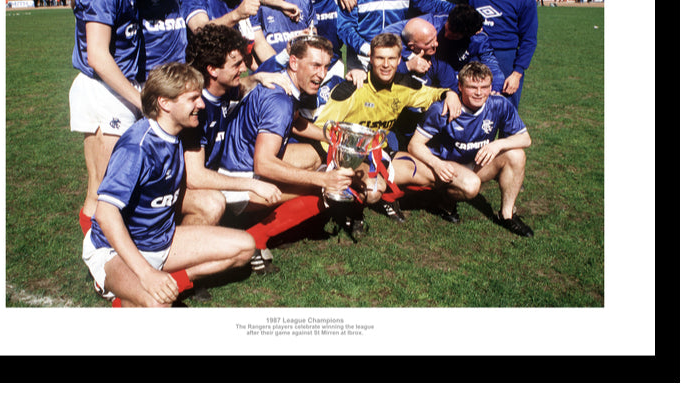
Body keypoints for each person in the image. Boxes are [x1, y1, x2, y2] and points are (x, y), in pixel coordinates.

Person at [82, 62, 257, 307]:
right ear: (165, 103)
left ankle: (168, 281)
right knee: (159, 305)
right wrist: (146, 273)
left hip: (162, 242)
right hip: (114, 251)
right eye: (193, 99)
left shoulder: (175, 134)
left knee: (245, 247)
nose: (201, 105)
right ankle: (116, 283)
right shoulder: (137, 147)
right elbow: (105, 213)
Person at [218, 35, 355, 272]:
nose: (322, 75)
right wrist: (322, 180)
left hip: (235, 164)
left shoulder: (282, 85)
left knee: (313, 157)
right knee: (324, 191)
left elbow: (295, 123)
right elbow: (264, 164)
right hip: (237, 184)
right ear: (293, 62)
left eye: (325, 66)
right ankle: (256, 237)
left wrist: (332, 137)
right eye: (314, 65)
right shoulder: (279, 100)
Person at [69, 0, 168, 234]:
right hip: (104, 90)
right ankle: (100, 265)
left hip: (119, 88)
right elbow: (97, 55)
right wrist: (141, 100)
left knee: (115, 183)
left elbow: (78, 5)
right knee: (103, 186)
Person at [313, 32, 462, 234]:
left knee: (434, 177)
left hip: (380, 153)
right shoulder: (352, 88)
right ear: (371, 59)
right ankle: (354, 210)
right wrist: (340, 161)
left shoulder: (404, 85)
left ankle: (434, 202)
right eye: (380, 58)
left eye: (391, 58)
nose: (385, 64)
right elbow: (323, 127)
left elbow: (430, 94)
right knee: (374, 191)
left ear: (399, 60)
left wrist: (450, 93)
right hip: (350, 156)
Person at [182, 23, 294, 226]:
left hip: (214, 174)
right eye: (236, 65)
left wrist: (258, 77)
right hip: (181, 187)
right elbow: (195, 177)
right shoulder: (194, 109)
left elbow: (243, 84)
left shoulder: (224, 90)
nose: (243, 69)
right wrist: (251, 185)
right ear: (212, 70)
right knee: (213, 204)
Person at [405, 61, 534, 237]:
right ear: (460, 86)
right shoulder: (442, 109)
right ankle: (442, 199)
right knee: (471, 185)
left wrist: (497, 144)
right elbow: (414, 145)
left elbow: (525, 139)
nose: (479, 93)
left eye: (484, 87)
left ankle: (507, 215)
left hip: (474, 164)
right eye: (472, 87)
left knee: (516, 154)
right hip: (446, 168)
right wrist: (436, 164)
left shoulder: (499, 104)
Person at [467, 0, 539, 108]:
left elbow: (529, 39)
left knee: (505, 115)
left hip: (506, 61)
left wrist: (517, 74)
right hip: (475, 57)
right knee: (473, 117)